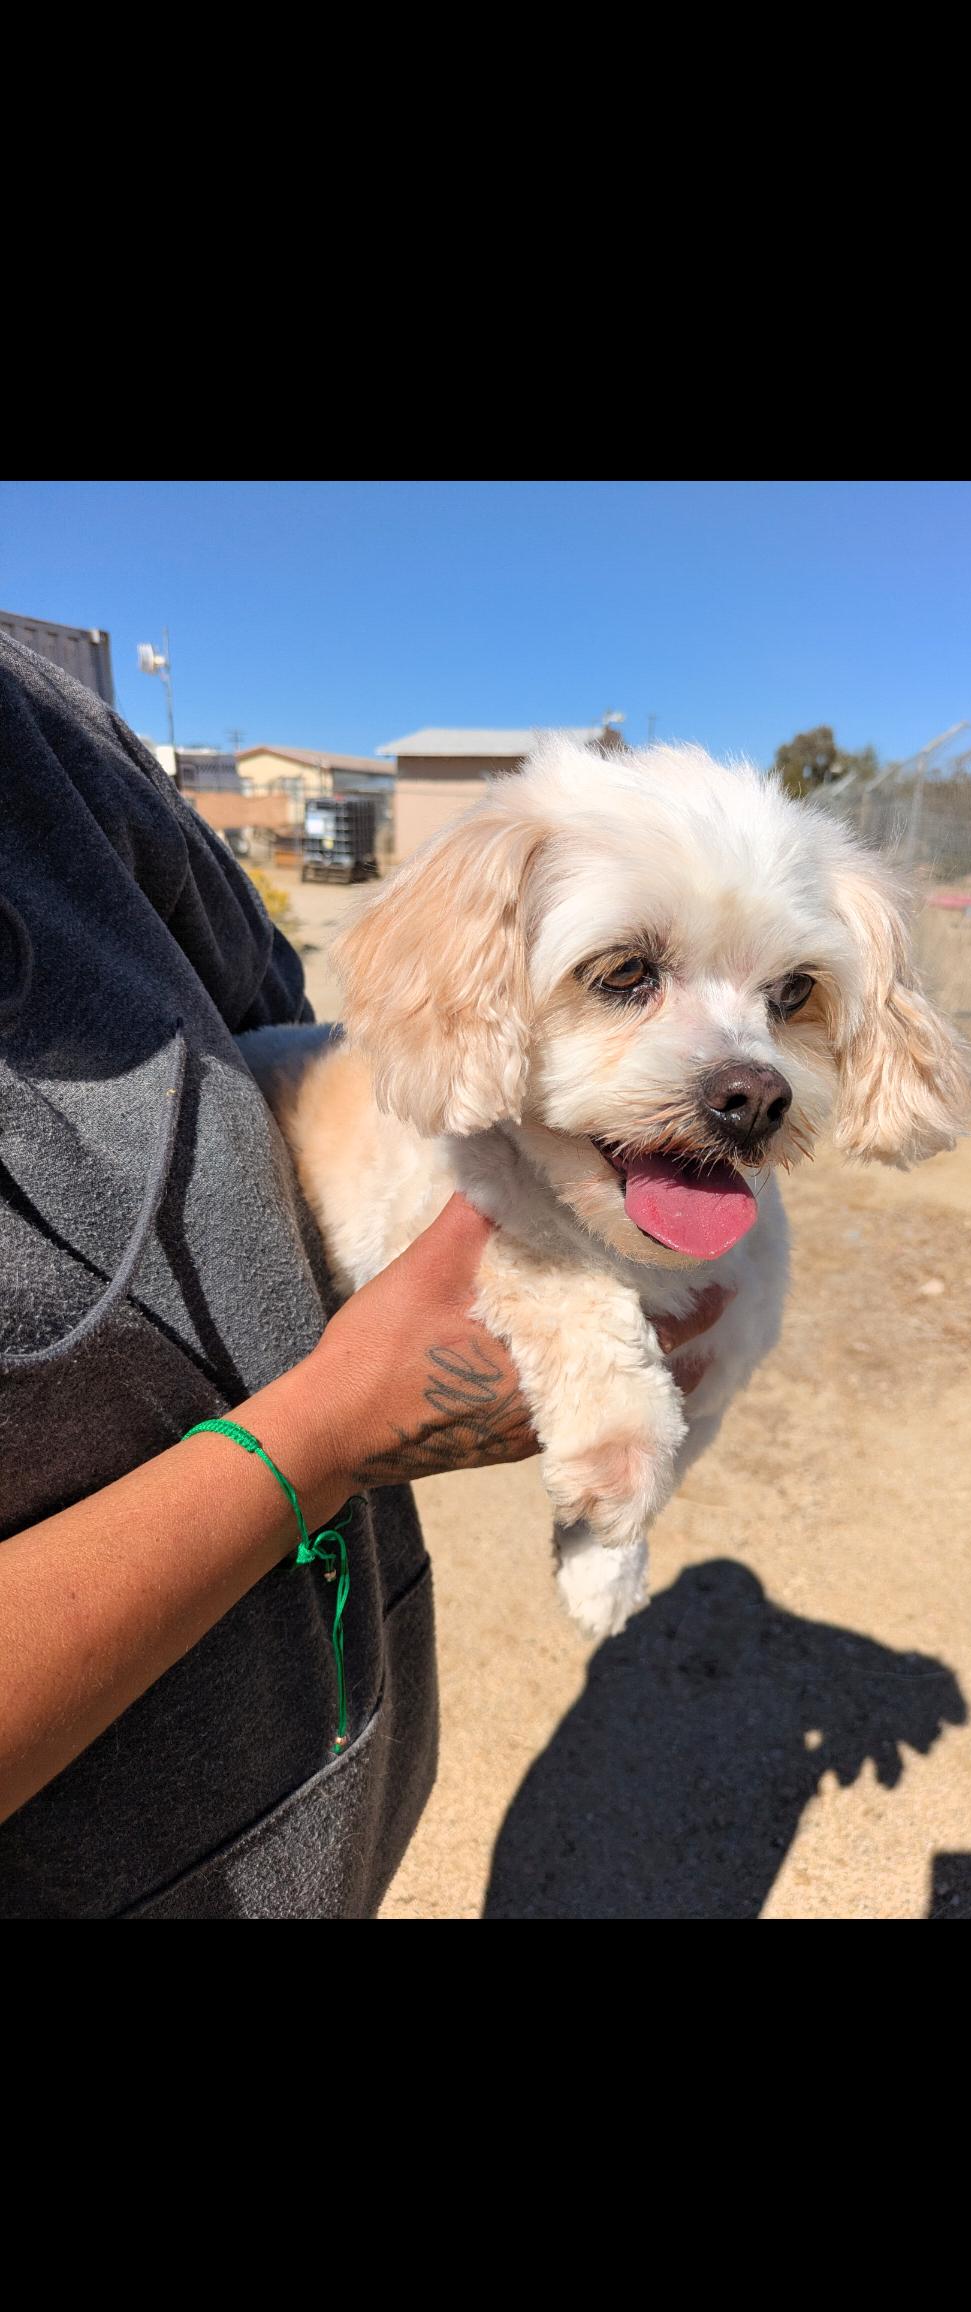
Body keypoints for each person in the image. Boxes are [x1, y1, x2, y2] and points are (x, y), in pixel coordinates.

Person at [0, 633, 724, 1919]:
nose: (735, 1061)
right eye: (629, 977)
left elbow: (297, 1020)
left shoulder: (54, 734)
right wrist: (330, 1427)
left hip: (341, 1743)